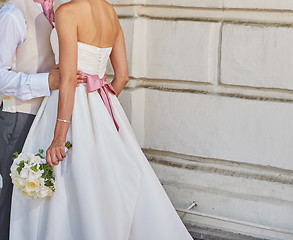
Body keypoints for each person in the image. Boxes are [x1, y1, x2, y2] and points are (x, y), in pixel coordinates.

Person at [9, 0, 194, 239]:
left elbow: (67, 79)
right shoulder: (110, 12)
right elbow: (123, 76)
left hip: (67, 105)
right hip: (103, 103)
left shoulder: (67, 12)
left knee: (71, 183)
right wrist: (97, 106)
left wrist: (59, 137)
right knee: (104, 182)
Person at [0, 0, 84, 239]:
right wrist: (47, 82)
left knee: (36, 200)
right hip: (18, 117)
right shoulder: (12, 13)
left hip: (47, 118)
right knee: (11, 199)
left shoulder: (59, 10)